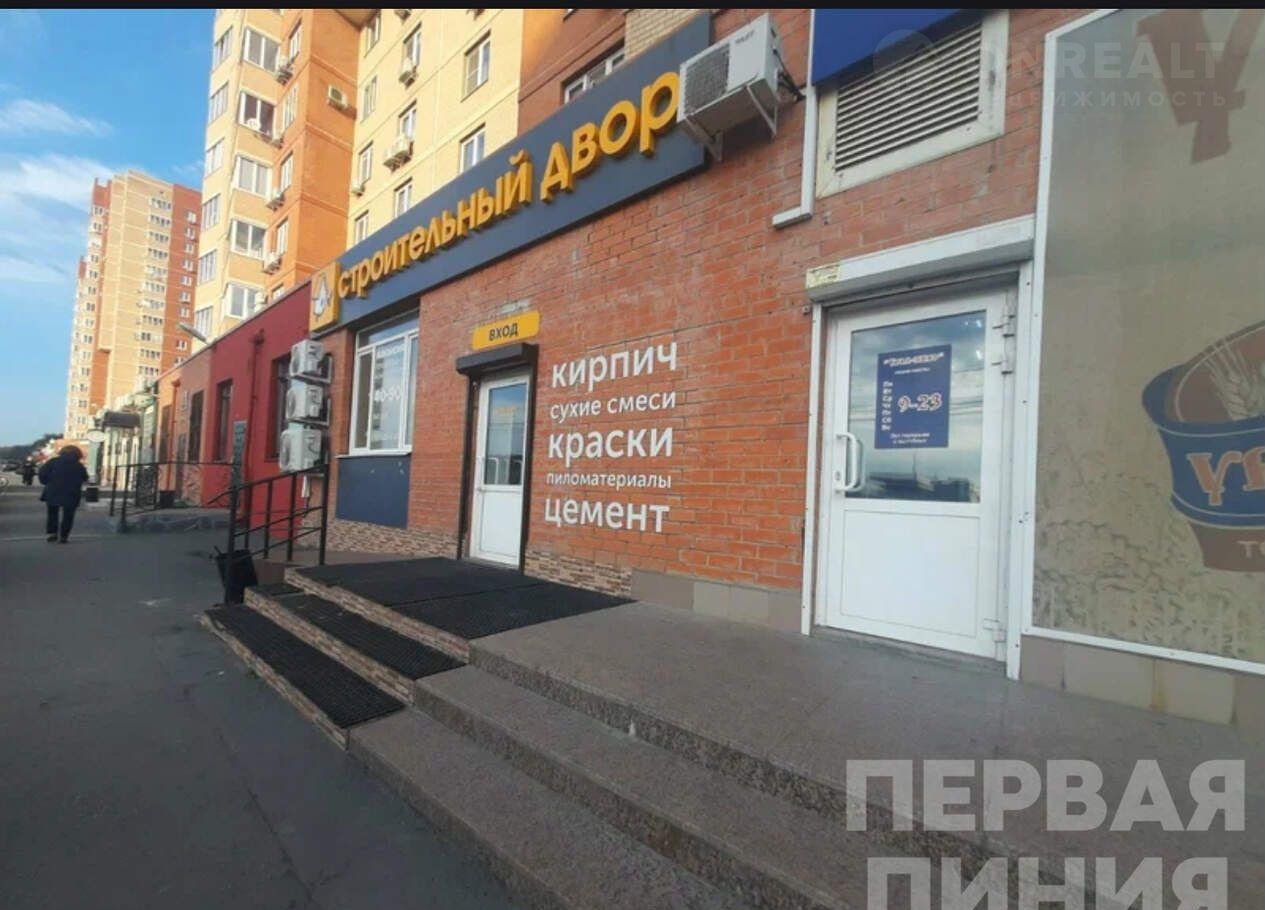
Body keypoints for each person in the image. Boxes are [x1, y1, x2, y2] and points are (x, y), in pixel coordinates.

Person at [38, 445, 89, 543]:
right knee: (68, 515)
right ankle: (64, 536)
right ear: (77, 454)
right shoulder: (78, 465)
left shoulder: (53, 462)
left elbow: (42, 473)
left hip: (53, 491)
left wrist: (47, 482)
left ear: (62, 452)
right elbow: (85, 477)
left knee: (52, 513)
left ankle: (53, 534)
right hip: (71, 493)